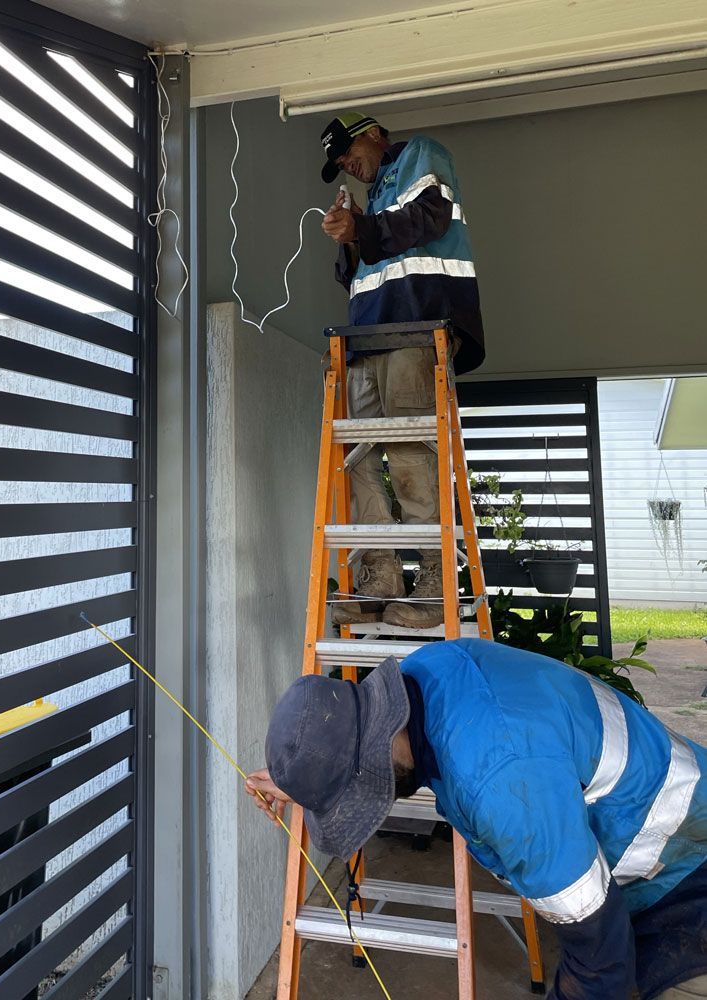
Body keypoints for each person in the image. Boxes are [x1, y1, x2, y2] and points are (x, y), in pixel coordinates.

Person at [245, 639, 707, 1000]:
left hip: (685, 866)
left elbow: (599, 964)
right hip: (643, 826)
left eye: (359, 796)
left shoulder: (501, 783)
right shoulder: (424, 673)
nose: (373, 807)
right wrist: (309, 776)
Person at [319, 112, 485, 630]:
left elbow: (430, 217)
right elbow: (359, 271)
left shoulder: (421, 154)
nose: (350, 166)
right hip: (367, 336)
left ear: (372, 134)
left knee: (410, 448)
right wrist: (348, 238)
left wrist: (363, 227)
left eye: (350, 155)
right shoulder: (372, 203)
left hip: (417, 328)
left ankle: (435, 580)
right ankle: (382, 577)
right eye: (343, 164)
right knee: (360, 456)